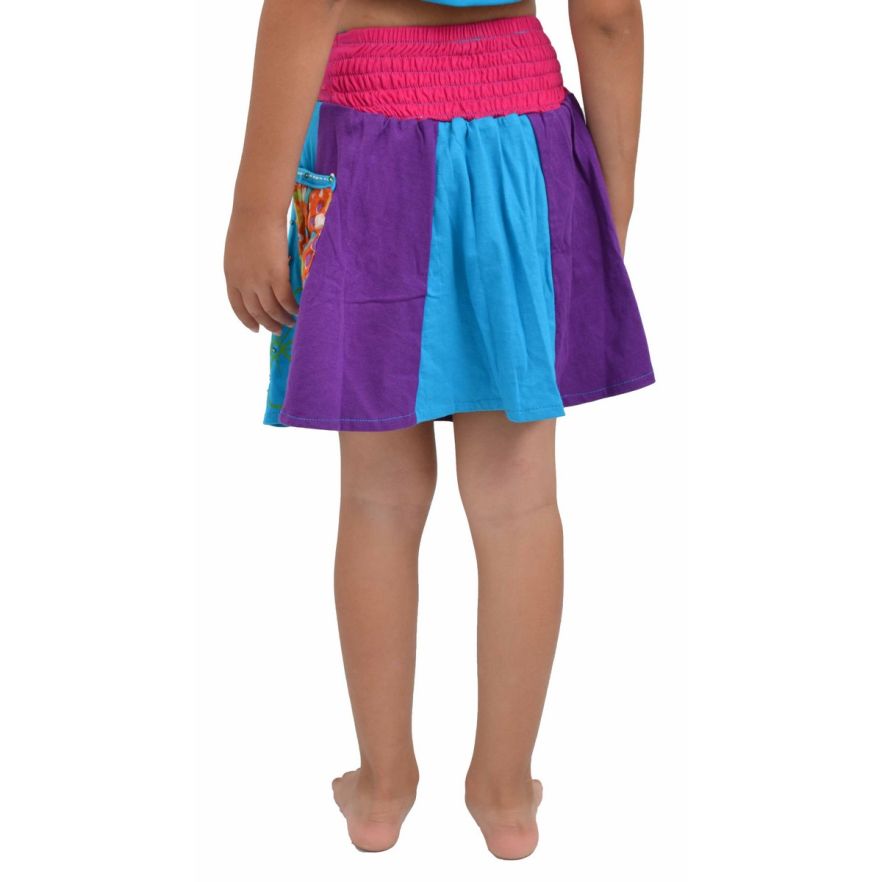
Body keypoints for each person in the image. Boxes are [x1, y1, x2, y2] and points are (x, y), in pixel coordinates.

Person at [223, 0, 653, 860]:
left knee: (377, 499)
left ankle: (382, 789)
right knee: (519, 503)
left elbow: (304, 7)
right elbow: (607, 14)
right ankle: (506, 794)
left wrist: (253, 206)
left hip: (369, 143)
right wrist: (613, 192)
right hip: (522, 143)